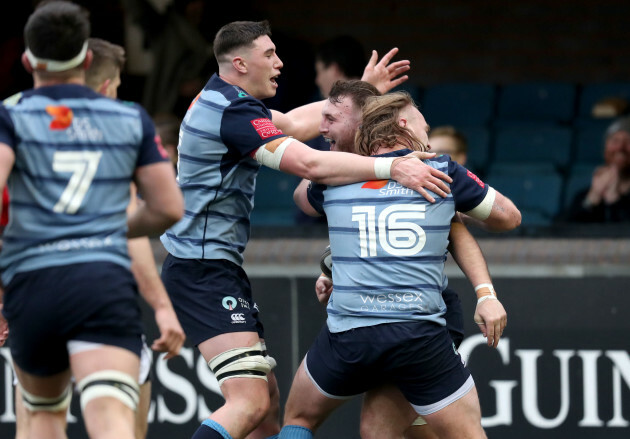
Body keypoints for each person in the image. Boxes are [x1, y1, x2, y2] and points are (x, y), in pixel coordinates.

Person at [159, 20, 455, 439]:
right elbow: (309, 164)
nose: (280, 63)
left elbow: (296, 124)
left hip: (208, 265)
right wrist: (392, 166)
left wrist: (362, 88)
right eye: (269, 55)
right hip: (202, 268)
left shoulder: (222, 99)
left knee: (266, 409)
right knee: (250, 402)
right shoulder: (231, 110)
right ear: (240, 63)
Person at [280, 91, 520, 439]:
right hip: (417, 335)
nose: (428, 131)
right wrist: (447, 208)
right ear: (404, 123)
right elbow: (509, 218)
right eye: (425, 123)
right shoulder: (440, 172)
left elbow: (303, 199)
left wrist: (337, 160)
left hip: (351, 339)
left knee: (304, 418)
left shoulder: (333, 180)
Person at [0, 3, 184, 439]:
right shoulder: (128, 118)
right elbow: (168, 208)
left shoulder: (11, 116)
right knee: (112, 419)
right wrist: (97, 228)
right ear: (85, 61)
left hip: (33, 283)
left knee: (42, 417)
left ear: (28, 61)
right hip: (100, 281)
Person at [566, 116, 630, 222]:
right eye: (615, 141)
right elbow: (561, 232)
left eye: (628, 141)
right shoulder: (584, 196)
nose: (620, 147)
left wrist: (614, 200)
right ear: (605, 149)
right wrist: (591, 200)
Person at [314, 35, 367, 99]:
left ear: (334, 69)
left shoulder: (325, 107)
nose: (317, 81)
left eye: (319, 72)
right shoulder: (376, 99)